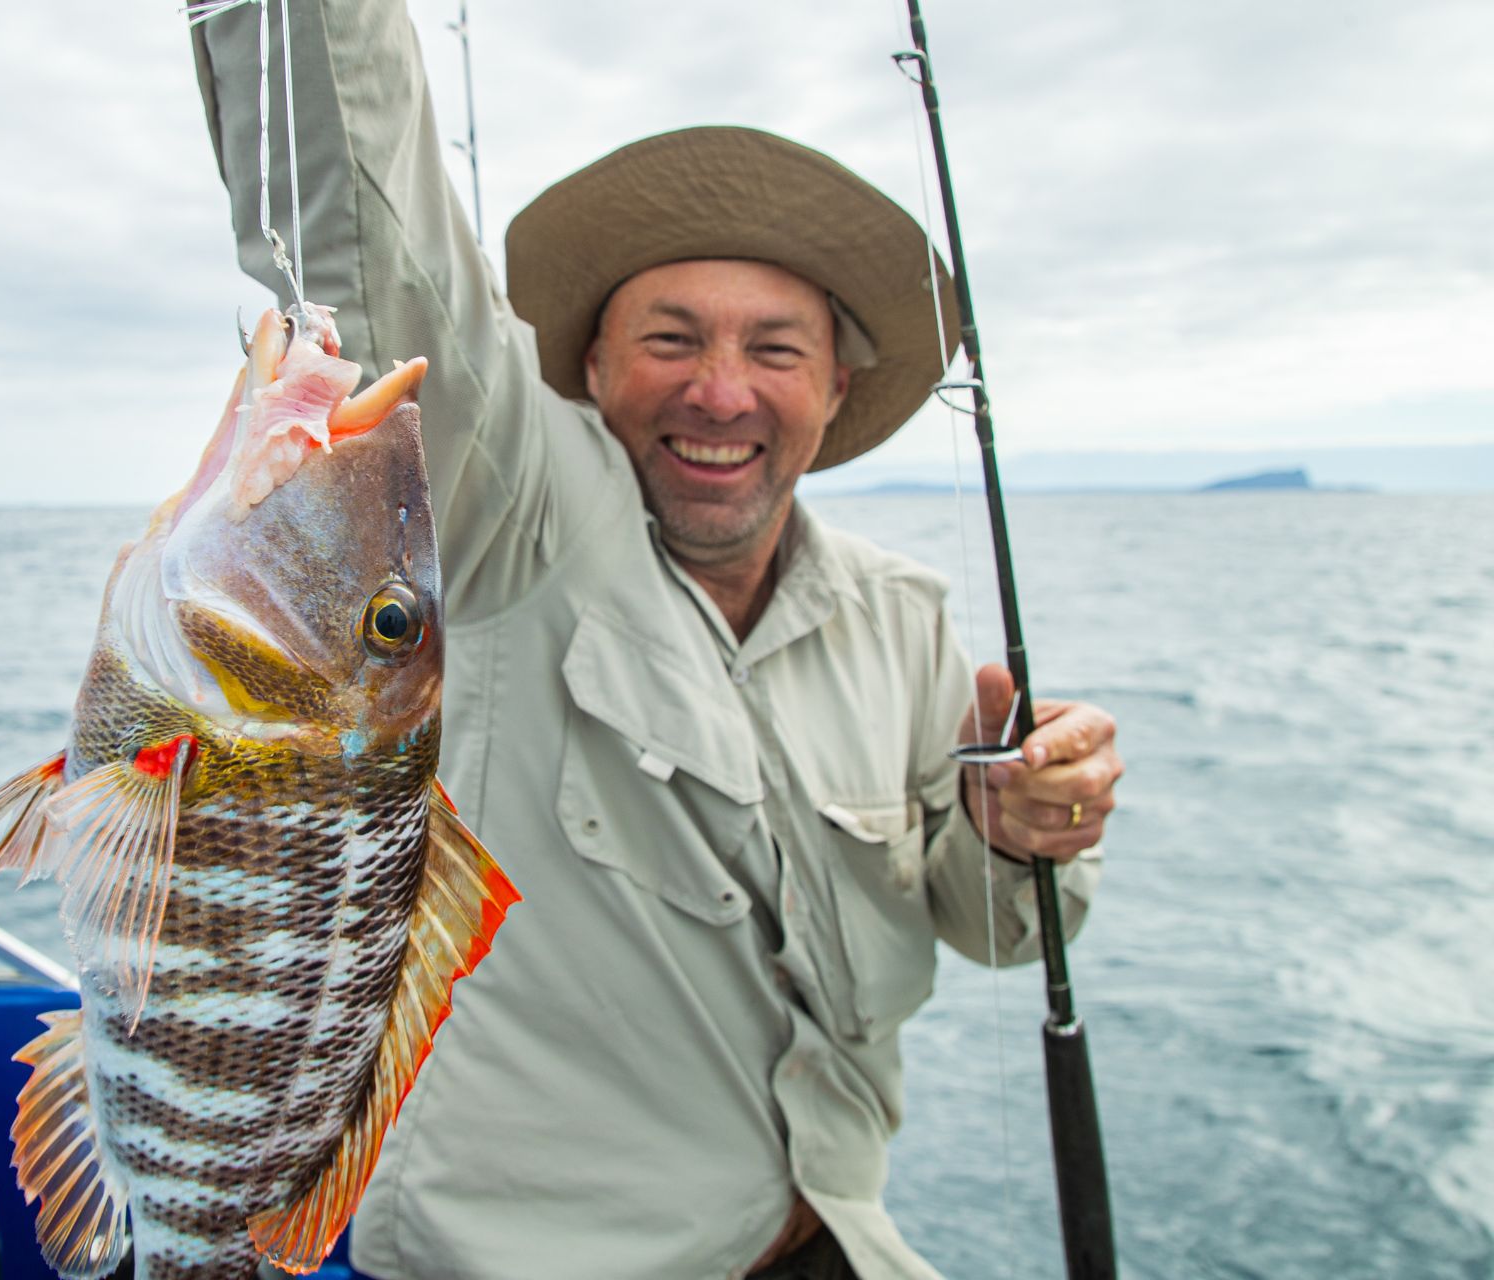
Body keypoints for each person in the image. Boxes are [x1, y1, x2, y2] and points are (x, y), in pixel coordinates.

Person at [191, 4, 1121, 1277]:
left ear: (838, 389)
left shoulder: (906, 617)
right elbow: (371, 239)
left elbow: (988, 924)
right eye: (671, 338)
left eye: (776, 349)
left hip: (839, 1238)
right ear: (584, 366)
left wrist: (1022, 841)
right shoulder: (519, 511)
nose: (721, 390)